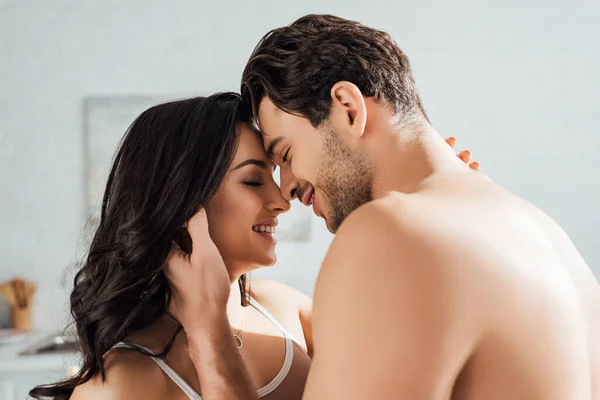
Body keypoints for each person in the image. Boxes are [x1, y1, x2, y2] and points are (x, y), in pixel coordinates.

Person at [168, 14, 600, 400]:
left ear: (347, 108)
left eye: (285, 154)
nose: (290, 189)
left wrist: (212, 340)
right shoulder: (545, 236)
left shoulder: (390, 232)